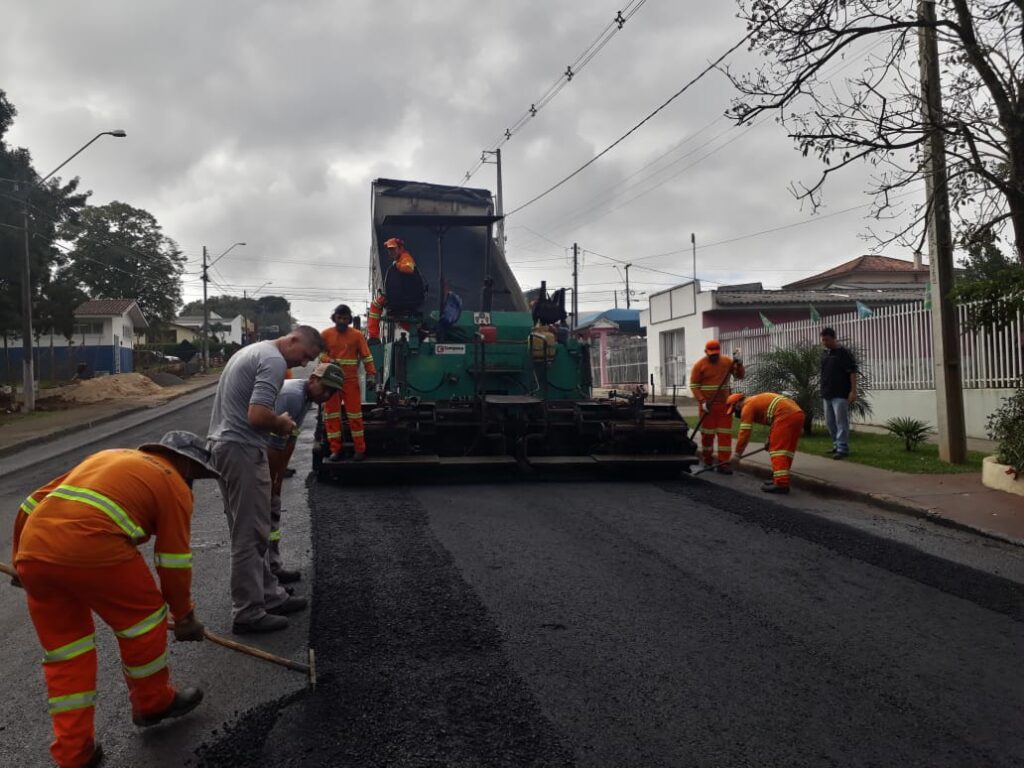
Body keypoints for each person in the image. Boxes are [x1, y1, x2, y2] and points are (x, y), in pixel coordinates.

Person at [12, 431, 218, 768]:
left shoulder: (107, 457)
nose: (194, 482)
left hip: (34, 551)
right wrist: (183, 617)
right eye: (196, 474)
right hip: (93, 545)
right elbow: (173, 562)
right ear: (184, 463)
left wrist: (20, 559)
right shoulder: (172, 482)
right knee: (145, 620)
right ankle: (153, 702)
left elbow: (32, 502)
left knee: (68, 655)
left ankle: (74, 751)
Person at [207, 326, 323, 634]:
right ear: (294, 339)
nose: (302, 364)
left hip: (228, 447)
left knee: (255, 529)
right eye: (305, 356)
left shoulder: (253, 351)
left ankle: (269, 596)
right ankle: (248, 611)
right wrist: (281, 423)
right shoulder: (272, 361)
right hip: (241, 449)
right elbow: (257, 416)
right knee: (249, 534)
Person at [267, 362, 344, 582]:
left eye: (333, 392)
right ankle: (265, 580)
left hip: (270, 456)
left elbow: (290, 438)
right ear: (312, 379)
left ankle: (273, 567)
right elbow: (273, 445)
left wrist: (280, 477)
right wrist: (273, 482)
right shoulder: (292, 396)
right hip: (255, 455)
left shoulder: (307, 398)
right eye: (325, 388)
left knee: (272, 515)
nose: (328, 395)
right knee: (260, 520)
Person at [320, 305, 377, 462]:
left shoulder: (357, 336)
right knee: (332, 416)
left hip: (350, 381)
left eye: (345, 318)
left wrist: (371, 375)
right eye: (340, 318)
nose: (342, 321)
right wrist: (330, 360)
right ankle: (335, 450)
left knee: (355, 416)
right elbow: (320, 354)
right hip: (331, 381)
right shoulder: (325, 335)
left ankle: (360, 450)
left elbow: (367, 356)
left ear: (349, 319)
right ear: (335, 317)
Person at [727, 392, 804, 494]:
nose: (736, 413)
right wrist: (769, 439)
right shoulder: (755, 400)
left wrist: (737, 454)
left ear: (737, 404)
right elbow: (774, 420)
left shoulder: (747, 406)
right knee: (786, 451)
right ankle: (779, 478)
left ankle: (781, 484)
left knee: (777, 451)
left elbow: (744, 433)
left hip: (785, 415)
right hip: (797, 414)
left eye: (734, 410)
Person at [689, 339, 745, 473]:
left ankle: (723, 464)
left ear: (719, 352)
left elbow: (740, 376)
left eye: (716, 354)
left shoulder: (726, 362)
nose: (713, 356)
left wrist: (739, 364)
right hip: (707, 407)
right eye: (711, 354)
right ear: (706, 352)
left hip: (724, 406)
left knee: (724, 435)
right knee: (707, 435)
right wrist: (702, 401)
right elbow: (694, 385)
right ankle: (708, 461)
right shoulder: (699, 365)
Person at [367, 237, 419, 341]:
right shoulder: (400, 259)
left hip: (403, 296)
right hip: (402, 295)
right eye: (389, 250)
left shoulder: (405, 258)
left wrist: (397, 265)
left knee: (375, 304)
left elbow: (408, 268)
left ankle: (373, 337)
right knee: (398, 317)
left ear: (400, 248)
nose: (390, 252)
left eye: (393, 249)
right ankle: (419, 332)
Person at [820, 327, 859, 460]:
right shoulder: (825, 354)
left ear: (834, 338)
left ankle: (843, 448)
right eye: (823, 340)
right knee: (830, 422)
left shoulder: (843, 353)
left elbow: (852, 372)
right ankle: (836, 444)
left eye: (827, 339)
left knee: (841, 421)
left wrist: (853, 391)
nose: (825, 342)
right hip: (827, 394)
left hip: (840, 394)